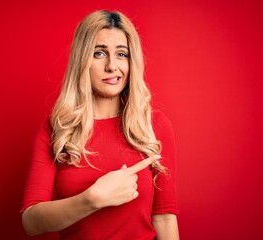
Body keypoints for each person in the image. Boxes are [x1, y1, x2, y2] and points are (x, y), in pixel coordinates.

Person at [21, 10, 179, 240]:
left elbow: (165, 218)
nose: (112, 66)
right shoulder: (58, 128)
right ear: (82, 60)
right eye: (99, 53)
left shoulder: (153, 126)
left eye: (122, 54)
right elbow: (31, 221)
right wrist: (92, 199)